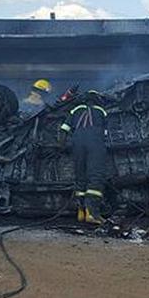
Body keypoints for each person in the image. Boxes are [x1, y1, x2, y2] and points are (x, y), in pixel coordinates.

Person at [58, 90, 108, 224]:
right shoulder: (101, 111)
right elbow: (106, 133)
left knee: (80, 177)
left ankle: (81, 212)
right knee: (95, 176)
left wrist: (62, 146)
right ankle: (92, 213)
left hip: (77, 144)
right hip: (95, 143)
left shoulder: (75, 110)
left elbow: (64, 129)